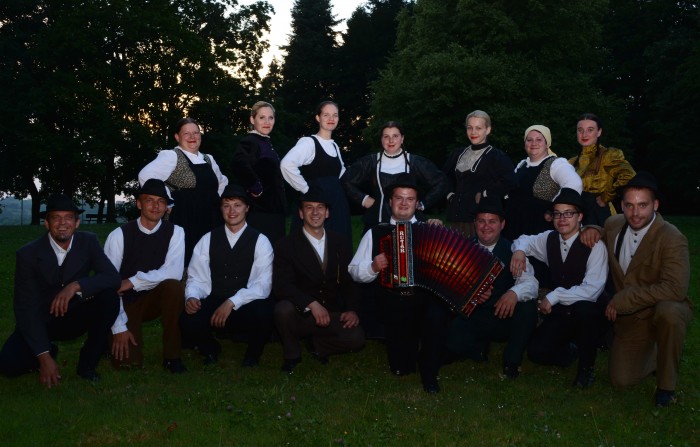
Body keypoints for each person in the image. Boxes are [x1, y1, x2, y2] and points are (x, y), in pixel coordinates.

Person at [580, 172, 692, 407]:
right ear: (622, 206)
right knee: (620, 380)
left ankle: (666, 386)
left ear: (655, 205)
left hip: (662, 307)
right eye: (629, 205)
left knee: (670, 313)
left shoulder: (672, 238)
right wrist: (591, 228)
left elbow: (676, 288)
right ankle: (654, 350)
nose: (635, 213)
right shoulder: (613, 224)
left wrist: (626, 298)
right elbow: (601, 232)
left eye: (643, 205)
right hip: (633, 319)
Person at [0, 194, 120, 386]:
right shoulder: (27, 254)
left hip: (75, 314)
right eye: (56, 217)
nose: (63, 223)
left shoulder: (88, 241)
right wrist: (43, 356)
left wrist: (76, 286)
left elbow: (112, 277)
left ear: (77, 222)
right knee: (9, 365)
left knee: (109, 298)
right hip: (43, 319)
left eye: (68, 217)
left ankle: (87, 365)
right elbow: (25, 307)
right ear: (46, 223)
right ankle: (48, 349)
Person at [349, 173, 453, 393]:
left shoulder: (431, 229)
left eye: (410, 199)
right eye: (399, 198)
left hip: (425, 300)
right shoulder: (376, 232)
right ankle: (418, 351)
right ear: (390, 202)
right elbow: (354, 271)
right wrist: (373, 267)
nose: (404, 203)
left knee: (437, 315)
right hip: (393, 303)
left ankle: (430, 375)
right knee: (402, 367)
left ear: (417, 203)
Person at [510, 188, 607, 388]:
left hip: (591, 310)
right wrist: (519, 251)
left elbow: (592, 289)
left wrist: (555, 296)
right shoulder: (549, 239)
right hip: (563, 310)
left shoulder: (595, 246)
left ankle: (586, 369)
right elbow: (524, 239)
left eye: (568, 213)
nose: (562, 219)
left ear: (580, 217)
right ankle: (572, 350)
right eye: (557, 214)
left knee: (585, 310)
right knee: (536, 352)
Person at [272, 186, 365, 373]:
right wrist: (311, 304)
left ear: (327, 213)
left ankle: (317, 345)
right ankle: (292, 354)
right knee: (282, 310)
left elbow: (349, 281)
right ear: (301, 214)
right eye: (309, 207)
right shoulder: (286, 245)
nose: (315, 212)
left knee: (357, 337)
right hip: (302, 314)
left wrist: (351, 309)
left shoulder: (340, 242)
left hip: (331, 313)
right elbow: (282, 285)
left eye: (320, 207)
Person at [180, 184, 274, 367]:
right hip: (215, 298)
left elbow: (263, 285)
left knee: (265, 312)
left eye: (237, 205)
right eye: (226, 205)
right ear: (221, 209)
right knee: (187, 320)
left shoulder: (261, 241)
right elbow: (197, 277)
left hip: (245, 303)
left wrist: (232, 302)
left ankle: (253, 355)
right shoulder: (207, 239)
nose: (232, 211)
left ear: (247, 208)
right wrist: (192, 296)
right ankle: (210, 348)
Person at [445, 196, 539, 379]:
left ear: (502, 225)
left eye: (492, 221)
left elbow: (531, 284)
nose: (486, 226)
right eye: (481, 221)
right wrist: (469, 294)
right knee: (452, 342)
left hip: (502, 316)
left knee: (527, 308)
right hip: (472, 316)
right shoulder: (463, 248)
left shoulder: (513, 251)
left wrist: (513, 292)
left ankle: (511, 362)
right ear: (475, 223)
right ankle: (478, 348)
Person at [104, 179, 187, 373]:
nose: (156, 206)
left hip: (155, 297)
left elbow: (174, 272)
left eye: (161, 201)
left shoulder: (176, 232)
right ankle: (106, 337)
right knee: (127, 364)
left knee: (174, 287)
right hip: (125, 302)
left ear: (166, 207)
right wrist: (119, 328)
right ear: (139, 204)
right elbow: (109, 285)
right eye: (149, 200)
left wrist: (133, 281)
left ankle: (172, 356)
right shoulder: (118, 235)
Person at [139, 117, 228, 263]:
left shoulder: (208, 159)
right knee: (184, 259)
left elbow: (222, 182)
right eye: (186, 133)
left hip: (210, 218)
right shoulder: (172, 156)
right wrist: (166, 200)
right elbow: (145, 176)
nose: (192, 137)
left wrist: (217, 202)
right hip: (183, 216)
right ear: (177, 137)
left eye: (196, 133)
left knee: (209, 259)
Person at [342, 121, 448, 233]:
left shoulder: (415, 162)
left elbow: (442, 182)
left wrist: (423, 203)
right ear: (381, 139)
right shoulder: (370, 162)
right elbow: (345, 181)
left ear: (402, 139)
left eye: (395, 136)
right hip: (377, 222)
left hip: (411, 224)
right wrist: (363, 199)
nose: (391, 141)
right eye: (386, 136)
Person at [280, 101, 352, 242]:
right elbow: (286, 164)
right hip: (316, 207)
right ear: (318, 118)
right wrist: (306, 190)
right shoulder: (308, 143)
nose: (331, 118)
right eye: (326, 115)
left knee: (336, 246)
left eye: (335, 115)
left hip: (336, 206)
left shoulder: (334, 146)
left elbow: (342, 176)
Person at [442, 110, 518, 238]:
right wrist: (449, 194)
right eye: (470, 128)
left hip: (480, 223)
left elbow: (511, 182)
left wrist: (485, 193)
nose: (473, 132)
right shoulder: (458, 154)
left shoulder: (496, 156)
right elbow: (444, 177)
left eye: (478, 128)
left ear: (487, 130)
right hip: (455, 220)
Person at [504, 125, 582, 241]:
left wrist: (554, 209)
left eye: (539, 140)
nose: (533, 143)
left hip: (539, 229)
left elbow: (574, 184)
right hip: (513, 227)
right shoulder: (522, 165)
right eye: (529, 140)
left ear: (547, 143)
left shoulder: (556, 164)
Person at [230, 101, 287, 244]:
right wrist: (256, 188)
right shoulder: (250, 141)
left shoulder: (266, 142)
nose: (267, 122)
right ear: (252, 119)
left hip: (274, 210)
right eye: (262, 117)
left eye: (270, 118)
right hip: (261, 211)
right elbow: (238, 163)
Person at [569, 113, 635, 226]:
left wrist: (606, 196)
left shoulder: (608, 155)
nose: (584, 134)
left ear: (599, 132)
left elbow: (629, 175)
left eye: (590, 130)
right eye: (580, 130)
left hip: (599, 214)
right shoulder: (571, 162)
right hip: (577, 214)